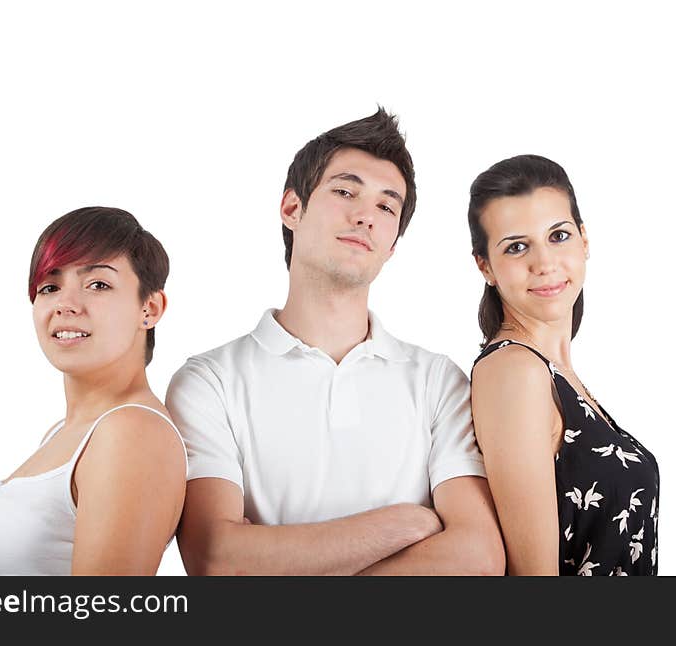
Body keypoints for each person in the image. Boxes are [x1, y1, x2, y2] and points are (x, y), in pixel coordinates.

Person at [166, 109, 504, 575]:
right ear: (292, 209)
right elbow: (216, 558)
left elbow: (477, 556)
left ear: (392, 245)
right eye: (345, 191)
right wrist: (406, 524)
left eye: (387, 207)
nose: (366, 215)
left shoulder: (438, 380)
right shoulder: (208, 382)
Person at [0, 207, 187, 575]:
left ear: (150, 308)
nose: (66, 304)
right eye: (49, 286)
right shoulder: (63, 434)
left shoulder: (132, 433)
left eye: (98, 285)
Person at [468, 155, 660, 575]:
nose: (544, 263)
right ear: (485, 266)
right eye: (517, 247)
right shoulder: (514, 372)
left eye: (558, 235)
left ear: (585, 240)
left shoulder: (556, 375)